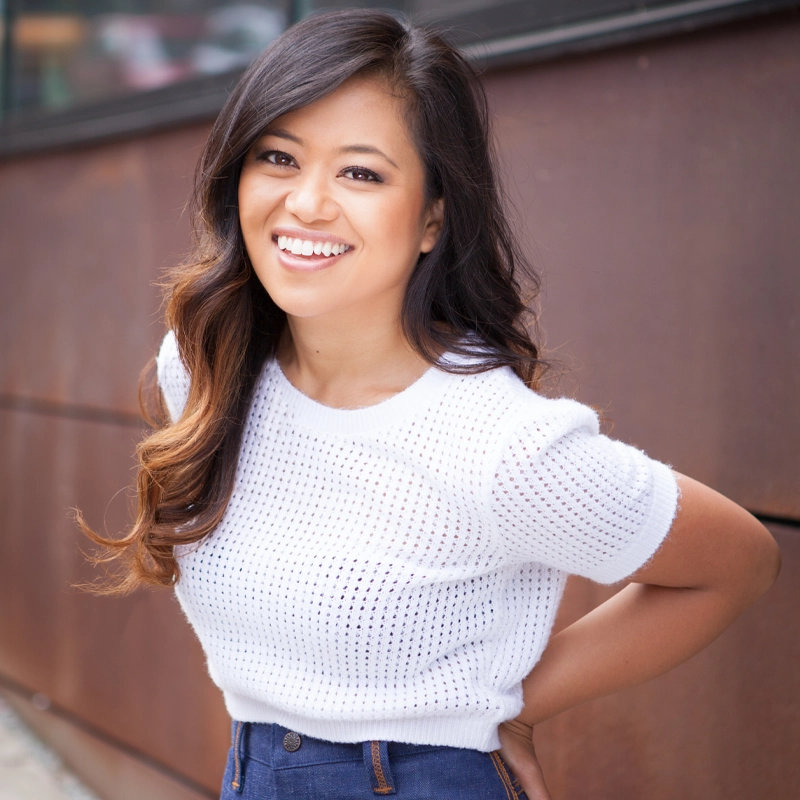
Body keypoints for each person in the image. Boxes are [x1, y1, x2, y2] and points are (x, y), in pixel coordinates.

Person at [81, 9, 781, 799]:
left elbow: (738, 562)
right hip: (254, 771)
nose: (306, 203)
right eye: (277, 157)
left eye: (362, 173)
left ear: (432, 218)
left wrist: (513, 708)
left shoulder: (496, 443)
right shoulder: (206, 364)